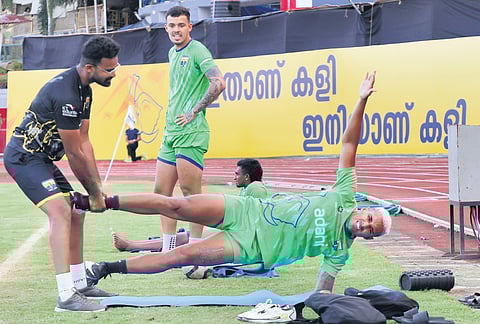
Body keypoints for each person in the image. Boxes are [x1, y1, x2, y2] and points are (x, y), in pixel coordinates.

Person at [75, 71, 392, 293]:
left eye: (370, 231)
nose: (365, 225)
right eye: (369, 219)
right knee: (176, 205)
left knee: (181, 256)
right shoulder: (345, 194)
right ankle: (104, 201)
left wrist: (325, 302)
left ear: (369, 238)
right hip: (246, 210)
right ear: (364, 209)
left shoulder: (339, 250)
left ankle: (103, 269)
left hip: (250, 245)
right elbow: (349, 145)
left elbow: (324, 287)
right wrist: (362, 100)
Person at [3, 36, 121, 312]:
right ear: (90, 68)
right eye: (110, 69)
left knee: (77, 212)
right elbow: (74, 153)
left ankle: (80, 284)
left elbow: (85, 141)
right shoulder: (66, 93)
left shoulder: (86, 91)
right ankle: (66, 297)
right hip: (23, 158)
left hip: (42, 159)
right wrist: (93, 193)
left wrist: (97, 189)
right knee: (60, 211)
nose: (114, 73)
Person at [155, 5, 226, 253]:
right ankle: (169, 249)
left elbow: (219, 83)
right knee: (161, 193)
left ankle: (195, 249)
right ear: (166, 28)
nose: (176, 30)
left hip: (191, 132)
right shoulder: (172, 53)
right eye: (172, 26)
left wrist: (194, 111)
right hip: (171, 133)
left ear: (189, 27)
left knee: (190, 194)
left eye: (181, 25)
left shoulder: (197, 50)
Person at [112, 158, 268, 252]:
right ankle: (134, 245)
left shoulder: (256, 188)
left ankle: (132, 245)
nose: (234, 178)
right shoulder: (250, 188)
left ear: (246, 177)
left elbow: (255, 220)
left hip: (239, 237)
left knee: (186, 237)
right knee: (187, 235)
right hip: (234, 232)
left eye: (237, 174)